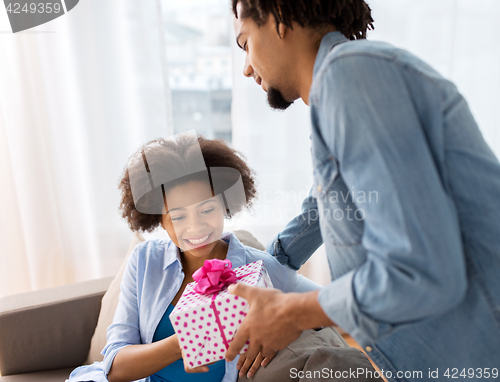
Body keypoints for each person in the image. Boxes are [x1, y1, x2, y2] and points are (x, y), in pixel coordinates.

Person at [227, 1, 500, 380]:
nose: (245, 68)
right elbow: (328, 203)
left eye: (245, 43)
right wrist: (266, 266)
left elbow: (419, 269)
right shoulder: (340, 84)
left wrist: (290, 313)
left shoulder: (347, 77)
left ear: (278, 19)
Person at [66, 133, 377, 382]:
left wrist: (286, 325)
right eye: (178, 217)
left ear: (225, 204)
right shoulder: (145, 261)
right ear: (159, 221)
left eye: (207, 209)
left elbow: (336, 304)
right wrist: (184, 342)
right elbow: (116, 366)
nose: (195, 227)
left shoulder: (260, 267)